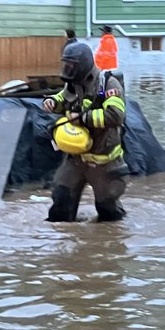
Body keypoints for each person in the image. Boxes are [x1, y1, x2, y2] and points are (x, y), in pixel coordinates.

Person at [41, 41, 127, 221]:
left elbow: (116, 115)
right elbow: (63, 98)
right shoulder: (73, 84)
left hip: (104, 161)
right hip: (76, 158)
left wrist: (82, 118)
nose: (67, 69)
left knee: (108, 211)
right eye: (66, 64)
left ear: (83, 64)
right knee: (60, 204)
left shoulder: (108, 84)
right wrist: (52, 102)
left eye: (71, 65)